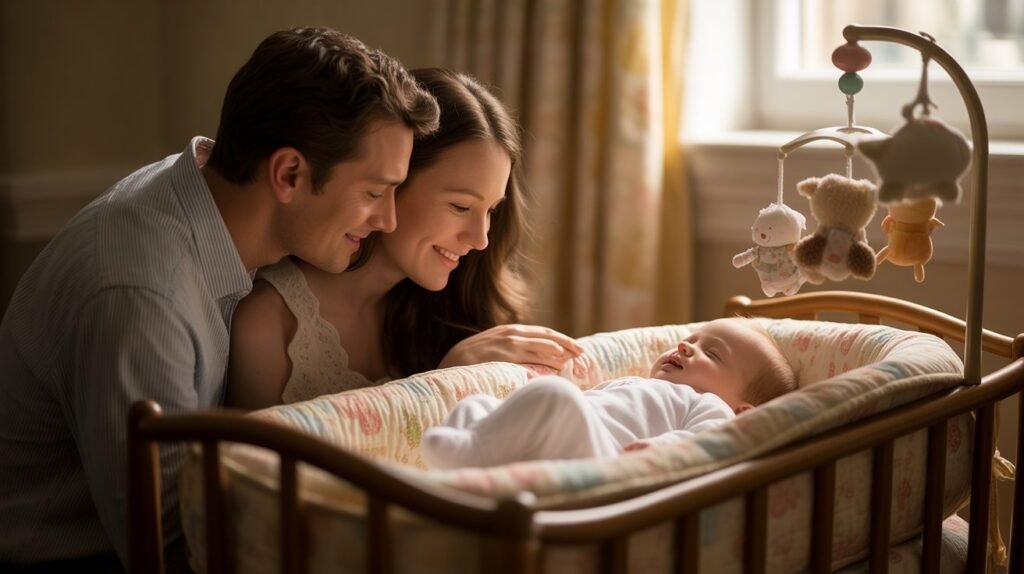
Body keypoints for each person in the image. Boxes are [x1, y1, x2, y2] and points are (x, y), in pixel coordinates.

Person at [0, 27, 439, 572]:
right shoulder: (143, 295)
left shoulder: (209, 198)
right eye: (374, 193)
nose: (388, 220)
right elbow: (170, 546)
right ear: (289, 173)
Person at [227, 68, 583, 409]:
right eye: (460, 206)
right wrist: (443, 384)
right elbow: (254, 470)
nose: (480, 240)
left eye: (490, 211)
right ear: (392, 181)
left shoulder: (455, 313)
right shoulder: (268, 324)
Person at [420, 318, 797, 469]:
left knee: (554, 396)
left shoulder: (712, 407)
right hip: (560, 446)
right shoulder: (633, 383)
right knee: (479, 403)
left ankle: (467, 460)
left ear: (742, 411)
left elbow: (705, 442)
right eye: (690, 340)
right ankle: (470, 452)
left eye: (711, 354)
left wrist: (663, 450)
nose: (685, 346)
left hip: (603, 466)